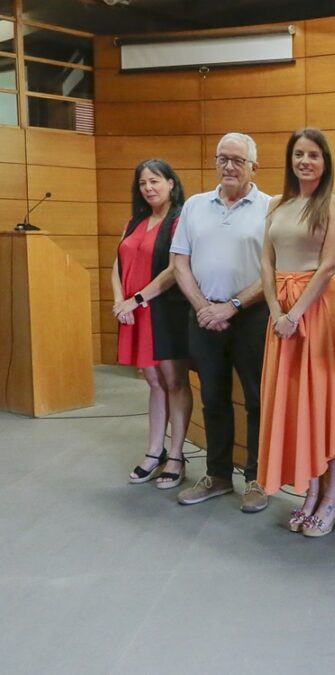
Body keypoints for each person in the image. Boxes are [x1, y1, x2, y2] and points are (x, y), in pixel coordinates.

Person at [258, 128, 335, 536]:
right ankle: (311, 489)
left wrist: (297, 314)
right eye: (299, 154)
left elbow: (327, 266)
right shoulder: (274, 202)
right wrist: (275, 311)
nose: (305, 161)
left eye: (314, 155)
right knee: (295, 402)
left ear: (325, 162)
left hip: (318, 310)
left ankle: (334, 494)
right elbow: (266, 262)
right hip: (280, 314)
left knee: (324, 399)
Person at [171, 132, 273, 513]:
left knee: (256, 400)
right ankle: (217, 476)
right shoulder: (195, 206)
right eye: (223, 159)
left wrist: (231, 305)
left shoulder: (270, 207)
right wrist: (203, 307)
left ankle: (257, 479)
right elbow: (179, 262)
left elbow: (273, 271)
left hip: (251, 316)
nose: (229, 166)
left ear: (253, 167)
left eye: (238, 160)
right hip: (203, 316)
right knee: (212, 397)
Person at [114, 159, 193, 490]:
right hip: (133, 312)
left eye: (155, 181)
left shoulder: (179, 220)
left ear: (171, 183)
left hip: (164, 311)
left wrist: (137, 300)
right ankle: (154, 450)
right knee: (153, 381)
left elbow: (174, 270)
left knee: (173, 380)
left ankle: (176, 454)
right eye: (143, 183)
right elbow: (116, 263)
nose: (148, 187)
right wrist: (120, 301)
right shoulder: (135, 220)